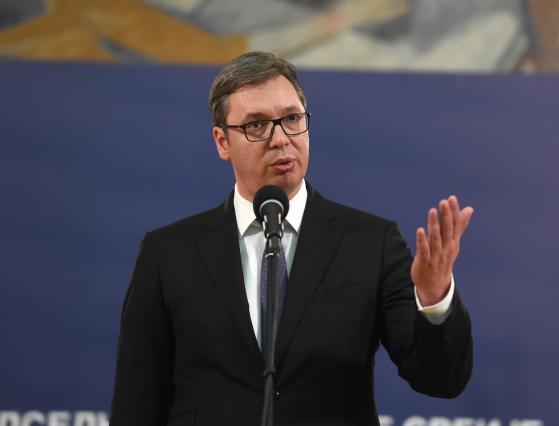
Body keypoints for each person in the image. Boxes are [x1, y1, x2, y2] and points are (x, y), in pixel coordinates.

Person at [110, 51, 473, 426]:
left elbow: (440, 380)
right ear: (222, 141)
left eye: (292, 118)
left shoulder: (371, 243)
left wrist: (435, 298)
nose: (281, 139)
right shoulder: (169, 254)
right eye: (256, 125)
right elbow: (136, 406)